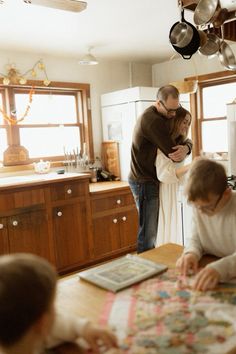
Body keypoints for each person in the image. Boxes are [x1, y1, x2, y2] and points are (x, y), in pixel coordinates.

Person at [0, 253, 118, 354]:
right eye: (53, 306)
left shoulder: (20, 335)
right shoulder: (36, 331)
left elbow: (53, 325)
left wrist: (83, 328)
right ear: (42, 324)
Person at [128, 85, 192, 253]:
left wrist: (187, 145)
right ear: (158, 103)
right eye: (170, 110)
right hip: (143, 180)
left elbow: (180, 141)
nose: (173, 115)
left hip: (150, 178)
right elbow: (173, 153)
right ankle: (145, 272)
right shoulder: (153, 121)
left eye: (176, 109)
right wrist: (187, 147)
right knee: (148, 233)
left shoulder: (165, 114)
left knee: (153, 231)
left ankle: (151, 267)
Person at [176, 158, 236, 291]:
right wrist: (191, 253)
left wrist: (220, 268)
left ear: (226, 193)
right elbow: (196, 238)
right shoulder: (201, 206)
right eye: (196, 206)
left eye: (207, 207)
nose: (200, 212)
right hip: (211, 263)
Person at [155, 107, 192, 246]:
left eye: (188, 123)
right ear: (176, 121)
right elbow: (164, 175)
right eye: (184, 122)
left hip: (180, 188)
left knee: (182, 226)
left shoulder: (182, 142)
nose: (187, 126)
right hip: (168, 190)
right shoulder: (163, 144)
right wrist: (191, 166)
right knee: (172, 226)